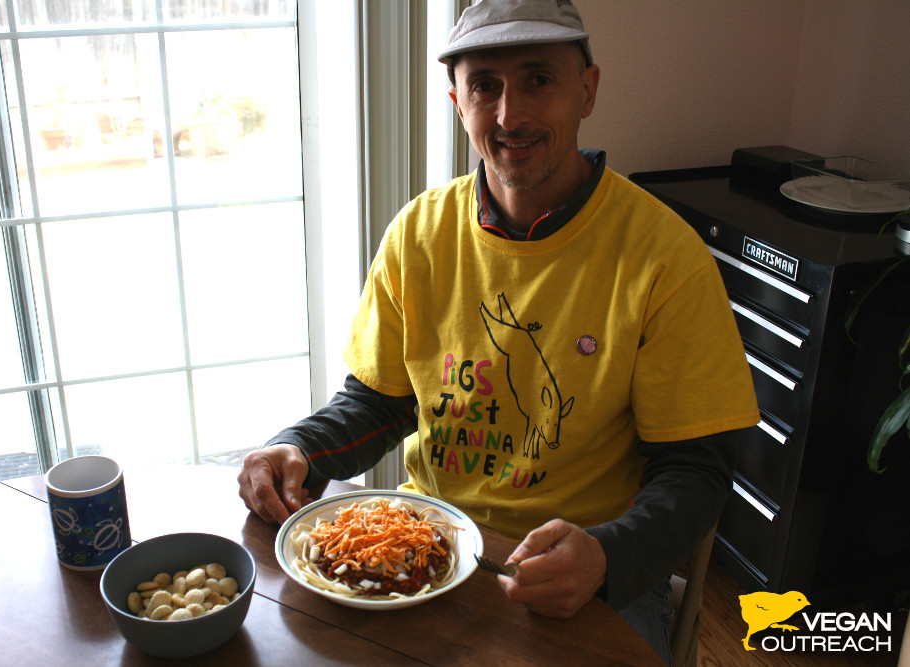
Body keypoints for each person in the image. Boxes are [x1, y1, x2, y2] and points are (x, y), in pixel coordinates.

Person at [238, 0, 759, 663]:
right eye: (485, 85)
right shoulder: (417, 234)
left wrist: (607, 554)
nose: (509, 114)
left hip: (586, 572)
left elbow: (696, 469)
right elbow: (382, 401)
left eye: (537, 78)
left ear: (587, 91)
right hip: (428, 545)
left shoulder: (664, 257)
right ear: (458, 99)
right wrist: (299, 448)